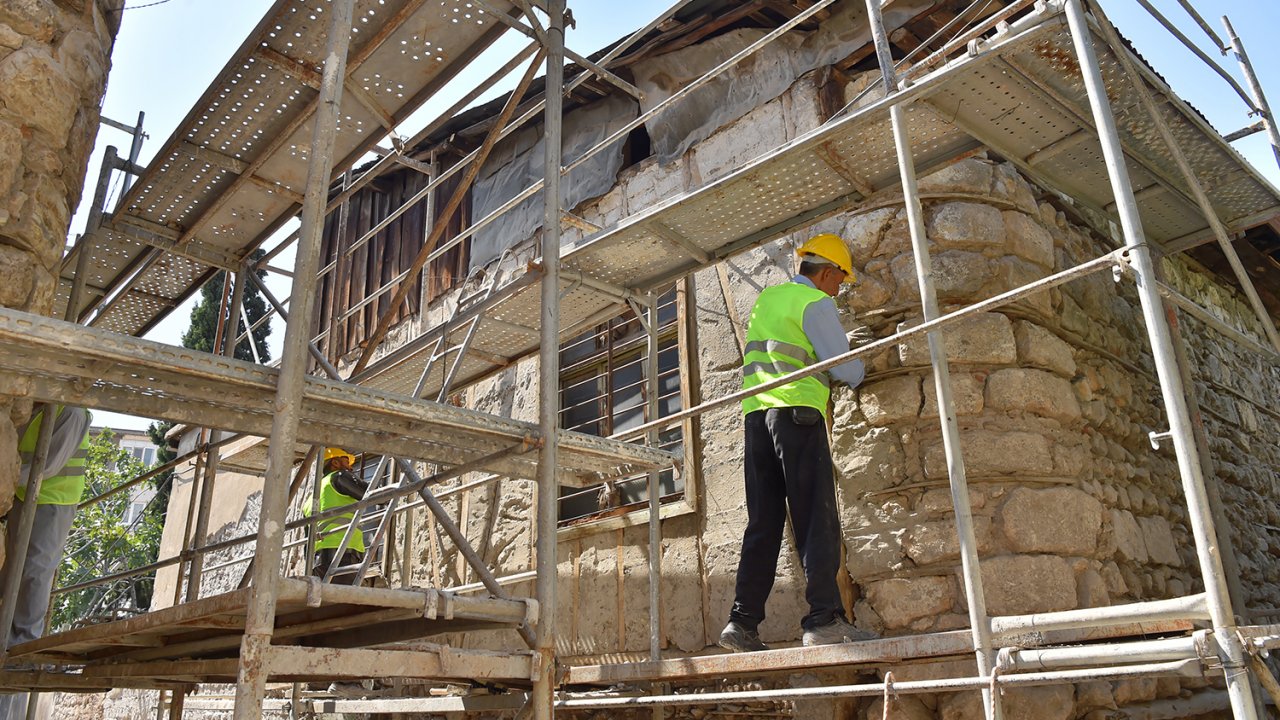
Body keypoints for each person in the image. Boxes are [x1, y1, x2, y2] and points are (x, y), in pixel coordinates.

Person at [719, 234, 877, 652]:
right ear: (826, 272)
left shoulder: (769, 300)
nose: (839, 290)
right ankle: (824, 618)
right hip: (798, 414)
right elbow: (846, 369)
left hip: (756, 419)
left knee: (764, 524)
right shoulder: (815, 303)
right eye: (839, 280)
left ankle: (742, 622)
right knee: (816, 519)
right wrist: (863, 359)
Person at [1, 405, 92, 718]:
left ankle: (22, 649)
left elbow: (47, 465)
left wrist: (8, 475)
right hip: (25, 499)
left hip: (53, 503)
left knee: (33, 575)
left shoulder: (72, 413)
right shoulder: (36, 409)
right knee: (12, 576)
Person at [311, 447, 370, 585]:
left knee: (328, 603)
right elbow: (375, 495)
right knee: (347, 602)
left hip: (319, 562)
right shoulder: (339, 476)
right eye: (346, 462)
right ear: (335, 463)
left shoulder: (313, 496)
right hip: (343, 554)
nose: (350, 467)